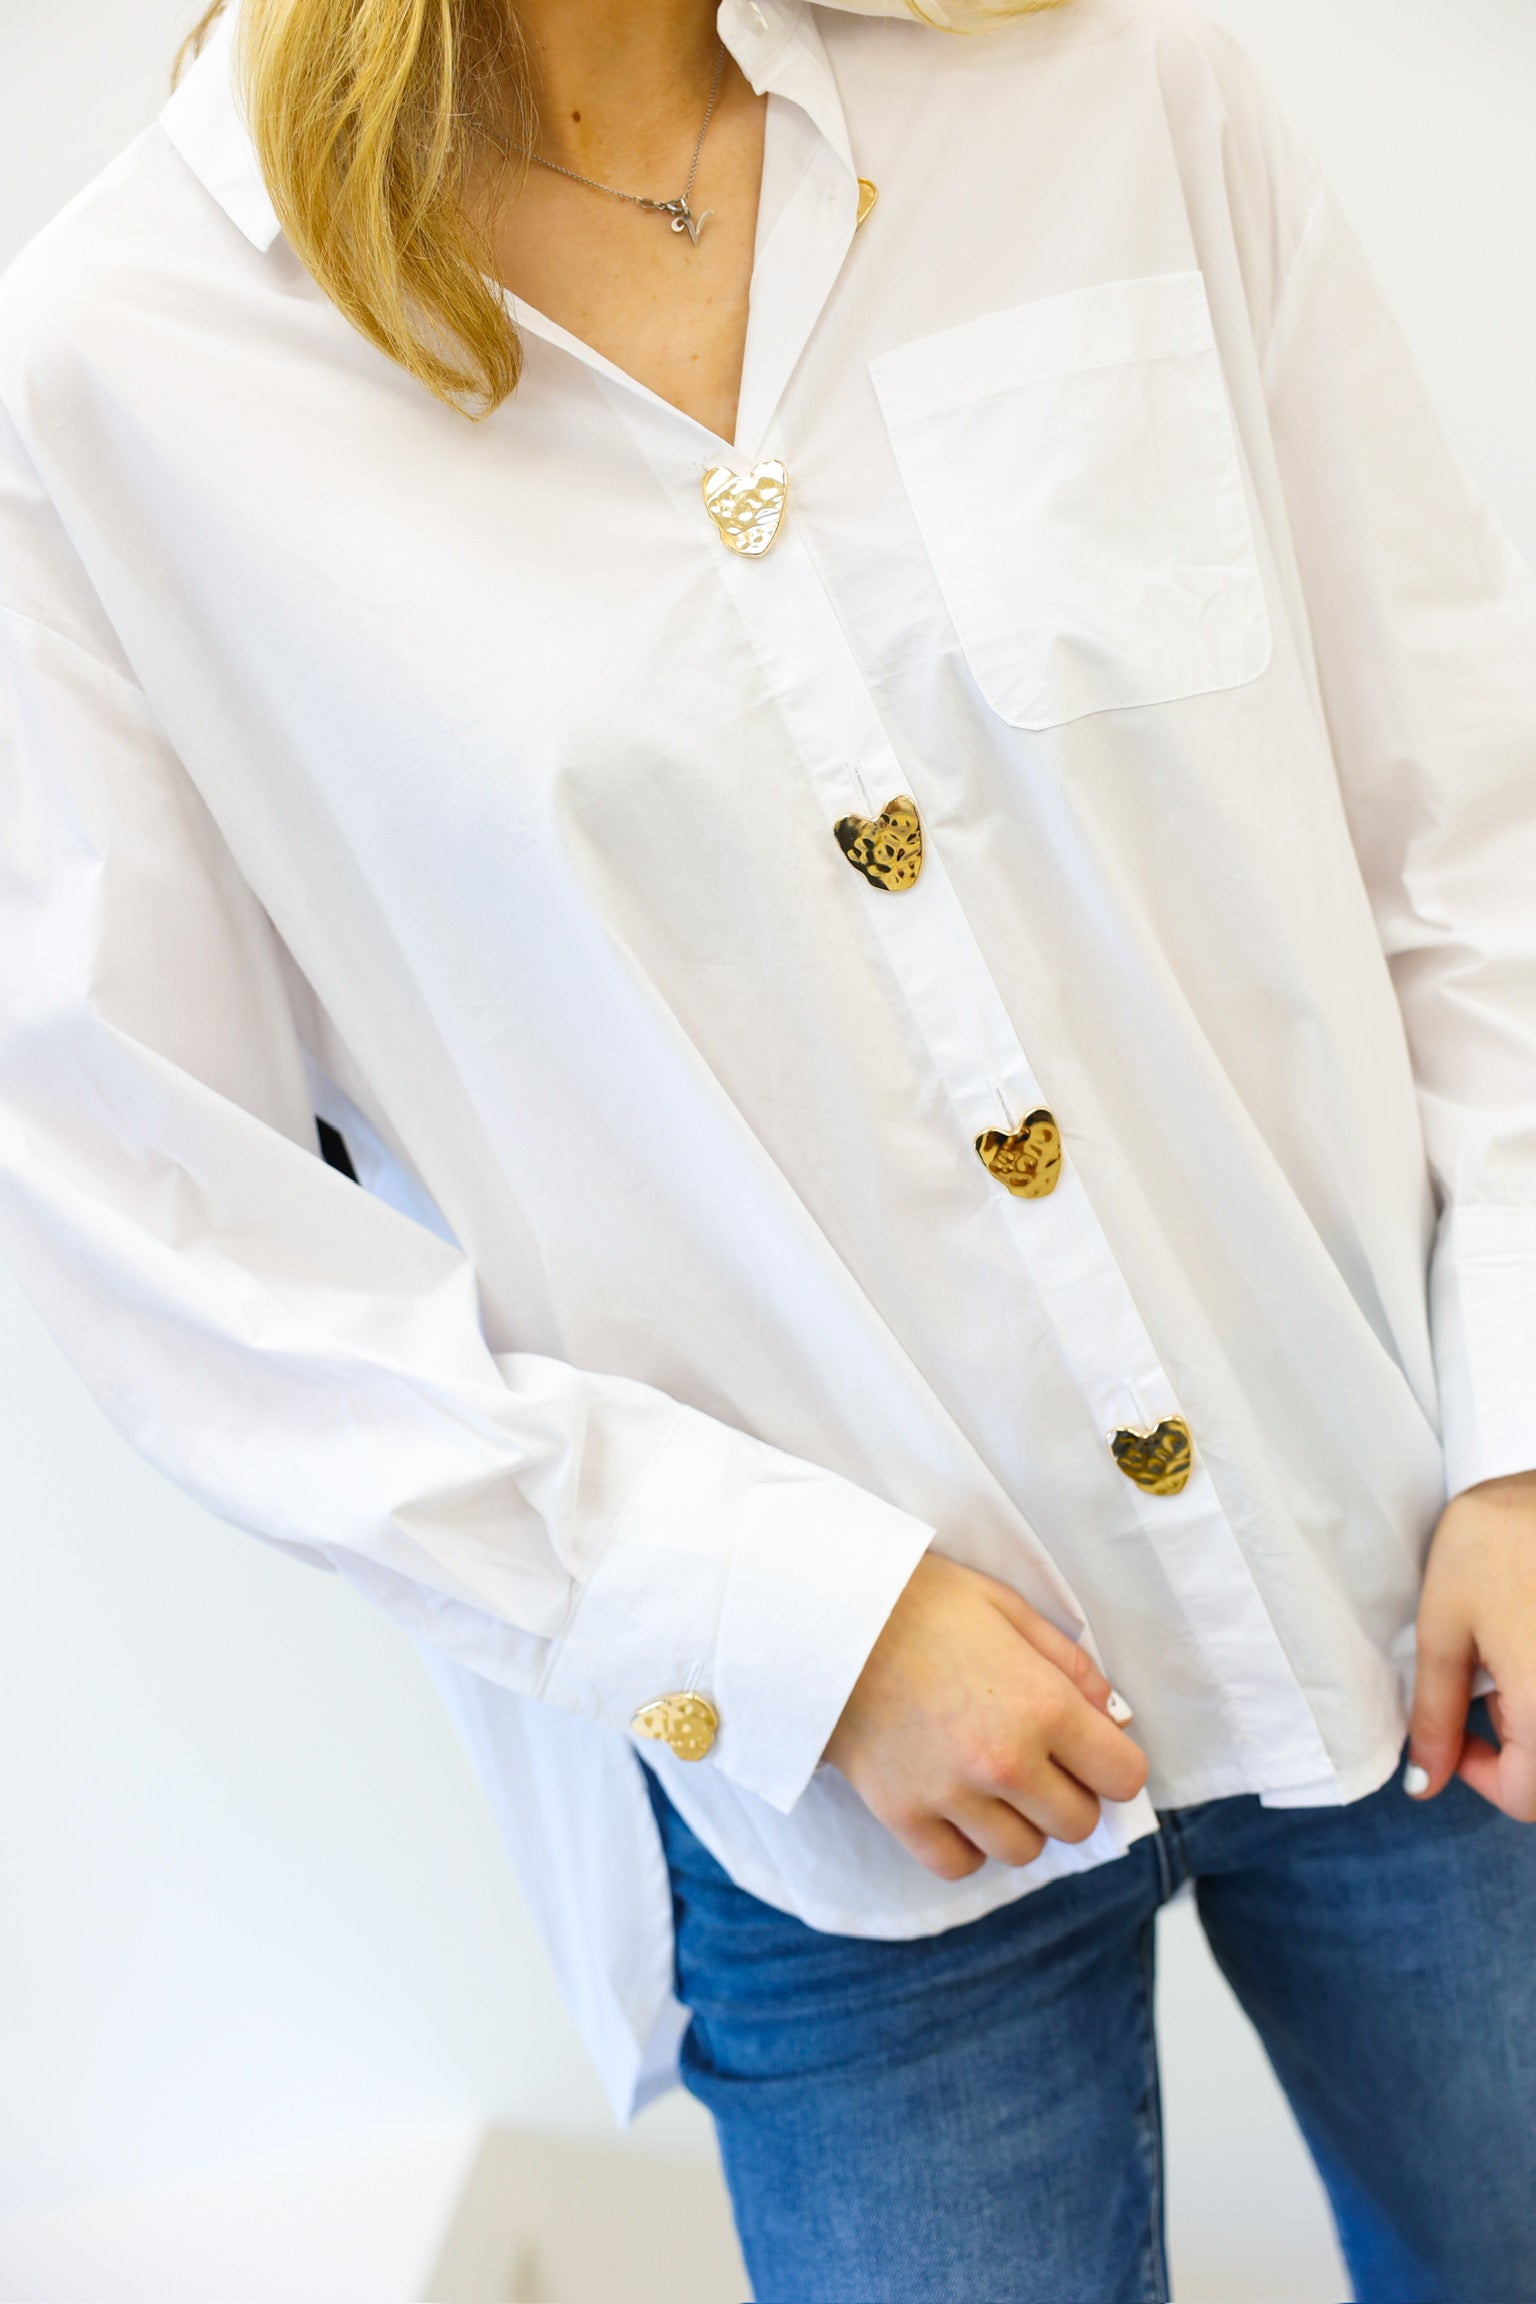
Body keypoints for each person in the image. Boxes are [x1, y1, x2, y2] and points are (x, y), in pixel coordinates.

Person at [0, 0, 1532, 2294]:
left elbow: (1468, 819)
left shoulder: (1110, 100)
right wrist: (771, 1620)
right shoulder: (121, 376)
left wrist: (1524, 1424)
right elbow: (167, 1220)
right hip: (837, 1794)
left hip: (1425, 1586)